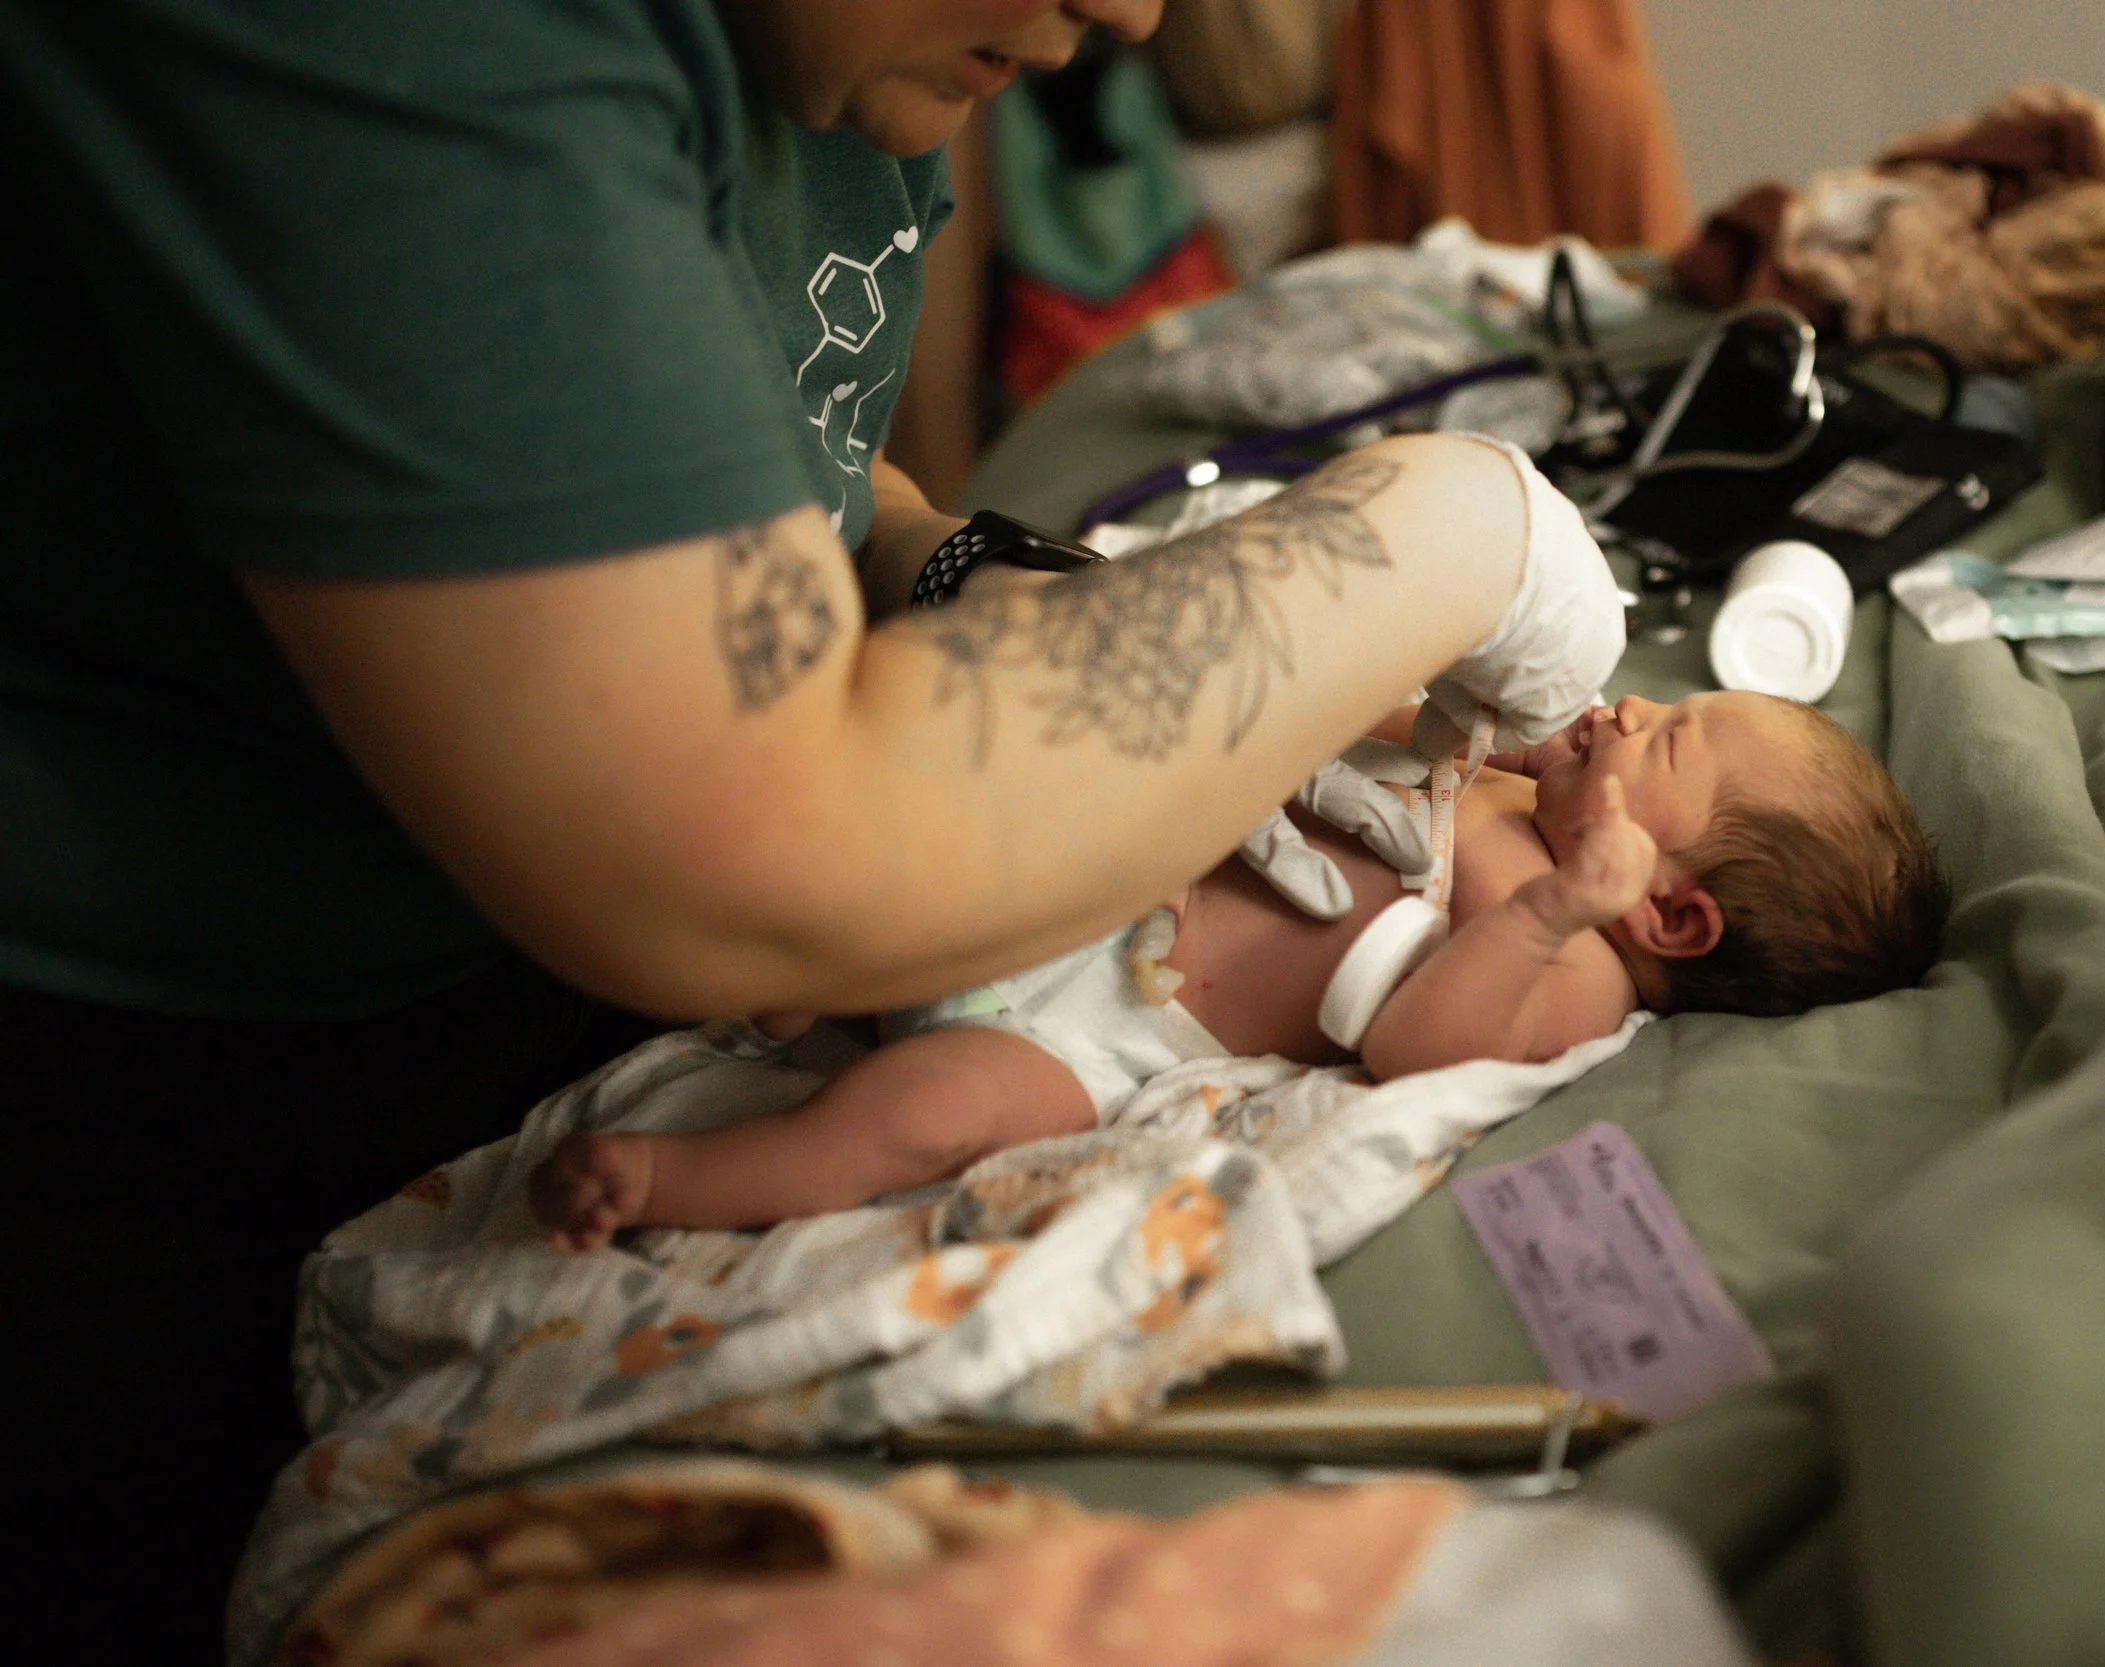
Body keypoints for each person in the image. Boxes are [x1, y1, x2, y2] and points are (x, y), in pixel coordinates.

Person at [1, 2, 1626, 1658]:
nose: (1135, 15)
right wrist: (1449, 525)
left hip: (580, 999)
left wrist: (962, 571)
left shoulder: (842, 53)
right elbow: (748, 847)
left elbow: (794, 477)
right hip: (146, 1091)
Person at [531, 691, 1949, 1244]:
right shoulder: (1528, 791)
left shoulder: (1571, 973)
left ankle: (679, 1179)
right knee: (891, 861)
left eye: (1673, 737)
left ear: (1673, 915)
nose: (1635, 702)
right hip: (1080, 885)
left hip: (1115, 1027)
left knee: (916, 1111)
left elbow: (1418, 1054)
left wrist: (1546, 911)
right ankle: (808, 957)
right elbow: (1380, 731)